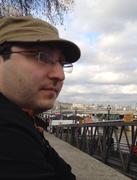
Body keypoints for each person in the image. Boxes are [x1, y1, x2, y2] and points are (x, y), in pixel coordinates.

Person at [0, 16, 81, 179]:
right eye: (42, 56)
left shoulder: (21, 118)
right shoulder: (6, 131)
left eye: (62, 63)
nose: (60, 75)